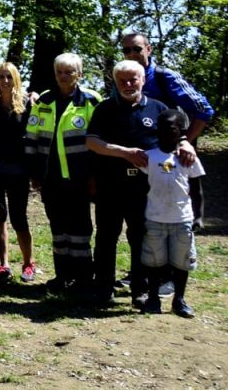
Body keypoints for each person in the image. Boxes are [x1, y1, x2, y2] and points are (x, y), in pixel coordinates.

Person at [86, 60, 196, 307]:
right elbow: (92, 142)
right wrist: (124, 152)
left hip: (146, 188)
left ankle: (140, 289)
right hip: (110, 185)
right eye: (122, 80)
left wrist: (186, 143)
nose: (127, 84)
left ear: (143, 80)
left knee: (142, 239)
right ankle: (104, 288)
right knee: (106, 238)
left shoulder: (159, 108)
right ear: (115, 82)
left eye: (133, 79)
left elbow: (179, 133)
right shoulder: (104, 109)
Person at [25, 53, 101, 296]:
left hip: (79, 177)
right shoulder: (44, 100)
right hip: (50, 177)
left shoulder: (91, 100)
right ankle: (62, 276)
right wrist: (34, 173)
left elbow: (99, 142)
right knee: (58, 228)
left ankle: (83, 279)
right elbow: (32, 136)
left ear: (79, 74)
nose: (64, 76)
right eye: (60, 72)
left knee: (79, 230)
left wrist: (94, 176)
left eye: (69, 72)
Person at [140, 108, 204, 317]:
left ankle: (179, 299)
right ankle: (152, 298)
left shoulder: (188, 158)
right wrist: (140, 215)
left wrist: (199, 216)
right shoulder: (148, 157)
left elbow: (196, 190)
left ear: (181, 131)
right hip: (154, 218)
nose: (169, 133)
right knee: (154, 262)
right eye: (164, 129)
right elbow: (141, 189)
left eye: (173, 129)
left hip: (182, 219)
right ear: (157, 130)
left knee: (181, 262)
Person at [0, 63, 32, 282]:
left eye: (9, 77)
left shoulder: (28, 104)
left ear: (16, 79)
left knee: (20, 219)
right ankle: (4, 265)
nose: (5, 81)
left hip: (19, 171)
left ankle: (28, 263)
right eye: (1, 77)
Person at [120, 30, 215, 141]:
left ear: (148, 49)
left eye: (137, 49)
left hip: (167, 149)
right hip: (135, 151)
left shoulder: (164, 76)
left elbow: (204, 110)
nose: (132, 54)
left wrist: (185, 143)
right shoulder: (121, 79)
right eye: (127, 50)